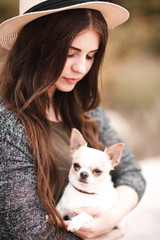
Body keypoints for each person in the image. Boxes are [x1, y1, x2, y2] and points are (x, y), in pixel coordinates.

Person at [0, 1, 145, 240]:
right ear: (37, 47)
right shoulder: (8, 124)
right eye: (70, 53)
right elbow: (29, 231)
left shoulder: (85, 107)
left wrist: (112, 217)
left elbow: (131, 172)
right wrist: (106, 236)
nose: (81, 68)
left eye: (90, 56)